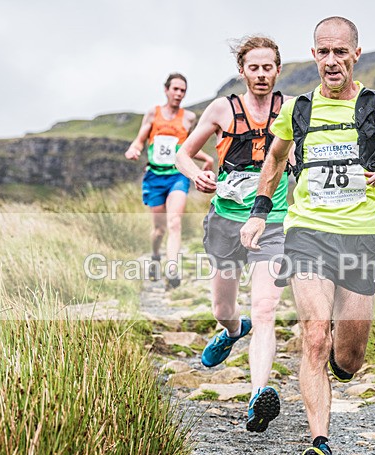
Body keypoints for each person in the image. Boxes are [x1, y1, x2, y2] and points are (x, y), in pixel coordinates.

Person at [240, 17, 375, 455]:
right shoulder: (298, 111)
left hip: (360, 236)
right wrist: (261, 210)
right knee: (315, 337)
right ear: (314, 55)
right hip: (307, 233)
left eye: (340, 52)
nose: (331, 61)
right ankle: (319, 445)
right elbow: (276, 157)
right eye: (323, 52)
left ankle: (337, 371)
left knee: (348, 357)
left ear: (356, 54)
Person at [176, 36, 292, 433]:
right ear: (242, 71)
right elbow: (182, 154)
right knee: (224, 310)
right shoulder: (222, 109)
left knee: (264, 310)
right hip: (226, 221)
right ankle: (231, 330)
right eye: (254, 68)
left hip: (273, 222)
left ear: (278, 70)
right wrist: (198, 176)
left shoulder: (291, 111)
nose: (261, 74)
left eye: (268, 67)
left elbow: (305, 159)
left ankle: (258, 396)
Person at [125, 73, 214, 288]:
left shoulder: (188, 118)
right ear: (166, 90)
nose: (179, 94)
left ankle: (172, 269)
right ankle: (156, 256)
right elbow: (139, 141)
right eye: (175, 89)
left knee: (174, 222)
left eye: (183, 90)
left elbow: (188, 147)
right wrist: (133, 150)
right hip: (155, 177)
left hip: (177, 176)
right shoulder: (153, 114)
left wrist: (207, 158)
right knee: (159, 230)